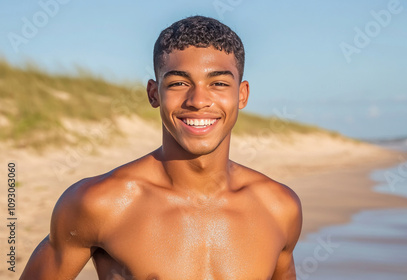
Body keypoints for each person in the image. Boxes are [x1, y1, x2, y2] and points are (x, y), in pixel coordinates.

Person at [21, 15, 302, 280]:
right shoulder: (99, 203)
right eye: (179, 83)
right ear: (154, 93)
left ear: (242, 95)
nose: (198, 100)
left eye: (218, 83)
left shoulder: (279, 208)